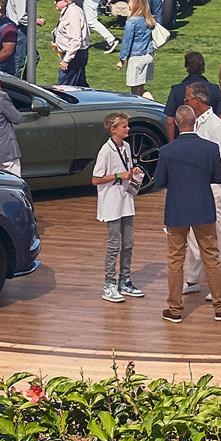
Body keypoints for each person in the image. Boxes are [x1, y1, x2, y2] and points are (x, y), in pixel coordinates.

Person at [144, 103, 221, 323]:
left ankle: (175, 309)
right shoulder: (209, 148)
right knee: (211, 256)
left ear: (176, 123)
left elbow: (160, 181)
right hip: (203, 207)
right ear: (194, 122)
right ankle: (220, 306)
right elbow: (218, 177)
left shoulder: (167, 151)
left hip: (176, 209)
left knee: (175, 260)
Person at [91, 113, 141, 302]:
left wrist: (133, 172)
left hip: (126, 200)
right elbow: (95, 179)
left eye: (127, 126)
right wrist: (119, 175)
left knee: (128, 243)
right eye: (124, 126)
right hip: (111, 203)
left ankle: (124, 281)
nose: (128, 129)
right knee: (114, 245)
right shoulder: (106, 151)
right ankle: (109, 284)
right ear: (113, 129)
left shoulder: (126, 147)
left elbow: (126, 170)